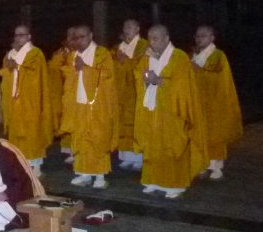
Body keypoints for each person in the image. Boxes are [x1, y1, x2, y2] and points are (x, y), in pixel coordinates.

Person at [133, 25, 208, 199]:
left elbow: (183, 86)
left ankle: (176, 184)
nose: (151, 42)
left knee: (172, 146)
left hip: (173, 111)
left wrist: (158, 80)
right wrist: (145, 78)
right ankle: (153, 180)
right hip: (153, 110)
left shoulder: (179, 57)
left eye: (156, 38)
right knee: (153, 145)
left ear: (166, 38)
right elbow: (139, 74)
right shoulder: (147, 57)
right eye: (150, 38)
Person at [59, 26, 119, 188]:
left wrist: (85, 69)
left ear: (91, 35)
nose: (79, 40)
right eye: (76, 37)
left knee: (98, 139)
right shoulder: (74, 55)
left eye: (83, 37)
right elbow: (69, 78)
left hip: (97, 105)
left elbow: (107, 76)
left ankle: (100, 177)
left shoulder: (102, 53)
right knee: (80, 139)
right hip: (79, 104)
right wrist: (73, 70)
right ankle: (83, 173)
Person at [0, 24, 54, 176]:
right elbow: (7, 72)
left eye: (22, 35)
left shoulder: (35, 53)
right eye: (16, 35)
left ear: (29, 36)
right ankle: (20, 164)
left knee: (32, 134)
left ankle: (36, 167)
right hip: (15, 102)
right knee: (16, 134)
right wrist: (11, 66)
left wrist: (17, 67)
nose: (18, 38)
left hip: (31, 102)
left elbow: (35, 75)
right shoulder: (10, 54)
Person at [191, 25, 243, 180]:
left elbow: (214, 76)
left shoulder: (217, 55)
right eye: (198, 36)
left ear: (212, 38)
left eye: (204, 35)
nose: (200, 39)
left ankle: (217, 167)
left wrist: (196, 70)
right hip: (198, 101)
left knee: (215, 135)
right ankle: (202, 164)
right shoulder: (194, 54)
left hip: (214, 101)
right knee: (200, 133)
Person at [112, 19, 149, 170]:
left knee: (136, 122)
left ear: (138, 28)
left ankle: (139, 157)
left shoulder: (143, 45)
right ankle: (126, 156)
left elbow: (142, 65)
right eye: (125, 26)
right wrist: (119, 61)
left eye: (130, 26)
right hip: (121, 91)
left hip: (136, 89)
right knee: (122, 123)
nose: (127, 29)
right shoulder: (118, 47)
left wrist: (125, 61)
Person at [46, 32, 73, 163]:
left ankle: (77, 151)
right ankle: (68, 149)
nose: (70, 39)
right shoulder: (60, 53)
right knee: (63, 120)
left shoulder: (79, 54)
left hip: (74, 93)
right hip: (60, 92)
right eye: (68, 36)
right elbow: (52, 68)